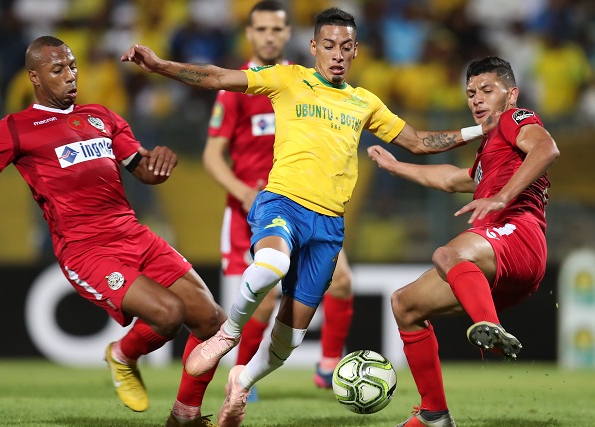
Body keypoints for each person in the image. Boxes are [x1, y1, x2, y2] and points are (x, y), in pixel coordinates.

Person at [123, 8, 485, 427]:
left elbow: (419, 142)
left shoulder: (364, 102)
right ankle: (228, 335)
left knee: (289, 339)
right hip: (281, 204)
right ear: (314, 47)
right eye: (328, 45)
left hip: (329, 227)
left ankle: (242, 383)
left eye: (345, 47)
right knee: (271, 264)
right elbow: (219, 77)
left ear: (355, 52)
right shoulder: (288, 78)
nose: (336, 54)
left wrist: (480, 130)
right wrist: (161, 65)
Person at [0, 36, 225, 427]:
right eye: (58, 70)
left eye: (72, 66)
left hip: (134, 234)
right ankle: (123, 354)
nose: (71, 76)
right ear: (35, 77)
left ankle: (184, 417)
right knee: (169, 315)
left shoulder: (102, 116)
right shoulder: (15, 129)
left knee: (212, 321)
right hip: (87, 251)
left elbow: (141, 169)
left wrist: (158, 164)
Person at [367, 56, 559, 427]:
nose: (477, 99)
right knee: (405, 305)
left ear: (511, 94)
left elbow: (546, 148)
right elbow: (453, 179)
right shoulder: (491, 148)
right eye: (471, 93)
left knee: (447, 252)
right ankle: (434, 415)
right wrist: (395, 167)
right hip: (495, 261)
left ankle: (489, 325)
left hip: (518, 233)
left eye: (487, 90)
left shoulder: (514, 119)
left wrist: (502, 198)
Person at [202, 0, 354, 397]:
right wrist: (243, 192)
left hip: (306, 202)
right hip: (254, 206)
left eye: (276, 29)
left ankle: (328, 366)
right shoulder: (240, 87)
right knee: (267, 298)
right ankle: (240, 375)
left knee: (341, 281)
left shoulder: (304, 81)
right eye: (262, 29)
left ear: (289, 36)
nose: (269, 36)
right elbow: (211, 156)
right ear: (250, 34)